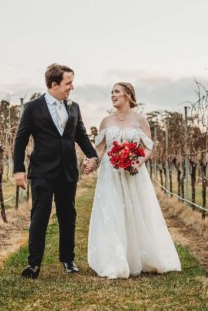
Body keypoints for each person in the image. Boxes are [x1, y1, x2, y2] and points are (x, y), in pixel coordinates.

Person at [86, 82, 181, 279]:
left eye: (117, 92)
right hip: (110, 174)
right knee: (112, 211)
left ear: (127, 95)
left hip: (133, 173)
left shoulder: (140, 120)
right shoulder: (105, 121)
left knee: (138, 211)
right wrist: (91, 163)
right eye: (111, 92)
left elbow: (148, 148)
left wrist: (138, 162)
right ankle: (115, 260)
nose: (112, 95)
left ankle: (142, 257)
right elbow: (99, 149)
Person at [14, 63, 98, 279]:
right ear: (54, 84)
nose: (72, 87)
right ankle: (34, 265)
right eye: (68, 83)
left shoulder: (74, 107)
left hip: (68, 170)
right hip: (42, 170)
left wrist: (93, 156)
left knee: (68, 216)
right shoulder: (33, 108)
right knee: (39, 216)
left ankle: (68, 260)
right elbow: (21, 139)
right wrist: (18, 170)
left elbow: (81, 135)